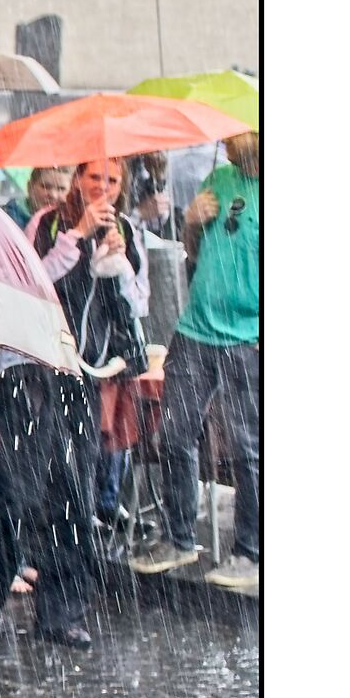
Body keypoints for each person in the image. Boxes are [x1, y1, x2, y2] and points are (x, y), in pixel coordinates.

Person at [0, 157, 150, 648]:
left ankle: (62, 612)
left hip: (82, 375)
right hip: (30, 369)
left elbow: (140, 304)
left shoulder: (127, 231)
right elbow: (28, 285)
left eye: (112, 179)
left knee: (75, 494)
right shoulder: (47, 223)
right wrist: (76, 236)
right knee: (16, 488)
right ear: (78, 179)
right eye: (94, 177)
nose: (103, 187)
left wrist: (119, 265)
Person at [130, 131, 260, 588]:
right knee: (173, 434)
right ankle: (179, 539)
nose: (226, 138)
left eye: (236, 131)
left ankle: (251, 553)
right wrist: (190, 224)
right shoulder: (218, 179)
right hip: (195, 330)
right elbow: (195, 254)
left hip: (247, 338)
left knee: (246, 449)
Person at [5, 166, 72, 230]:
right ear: (30, 187)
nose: (53, 195)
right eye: (46, 187)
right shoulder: (8, 220)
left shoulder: (69, 224)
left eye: (61, 189)